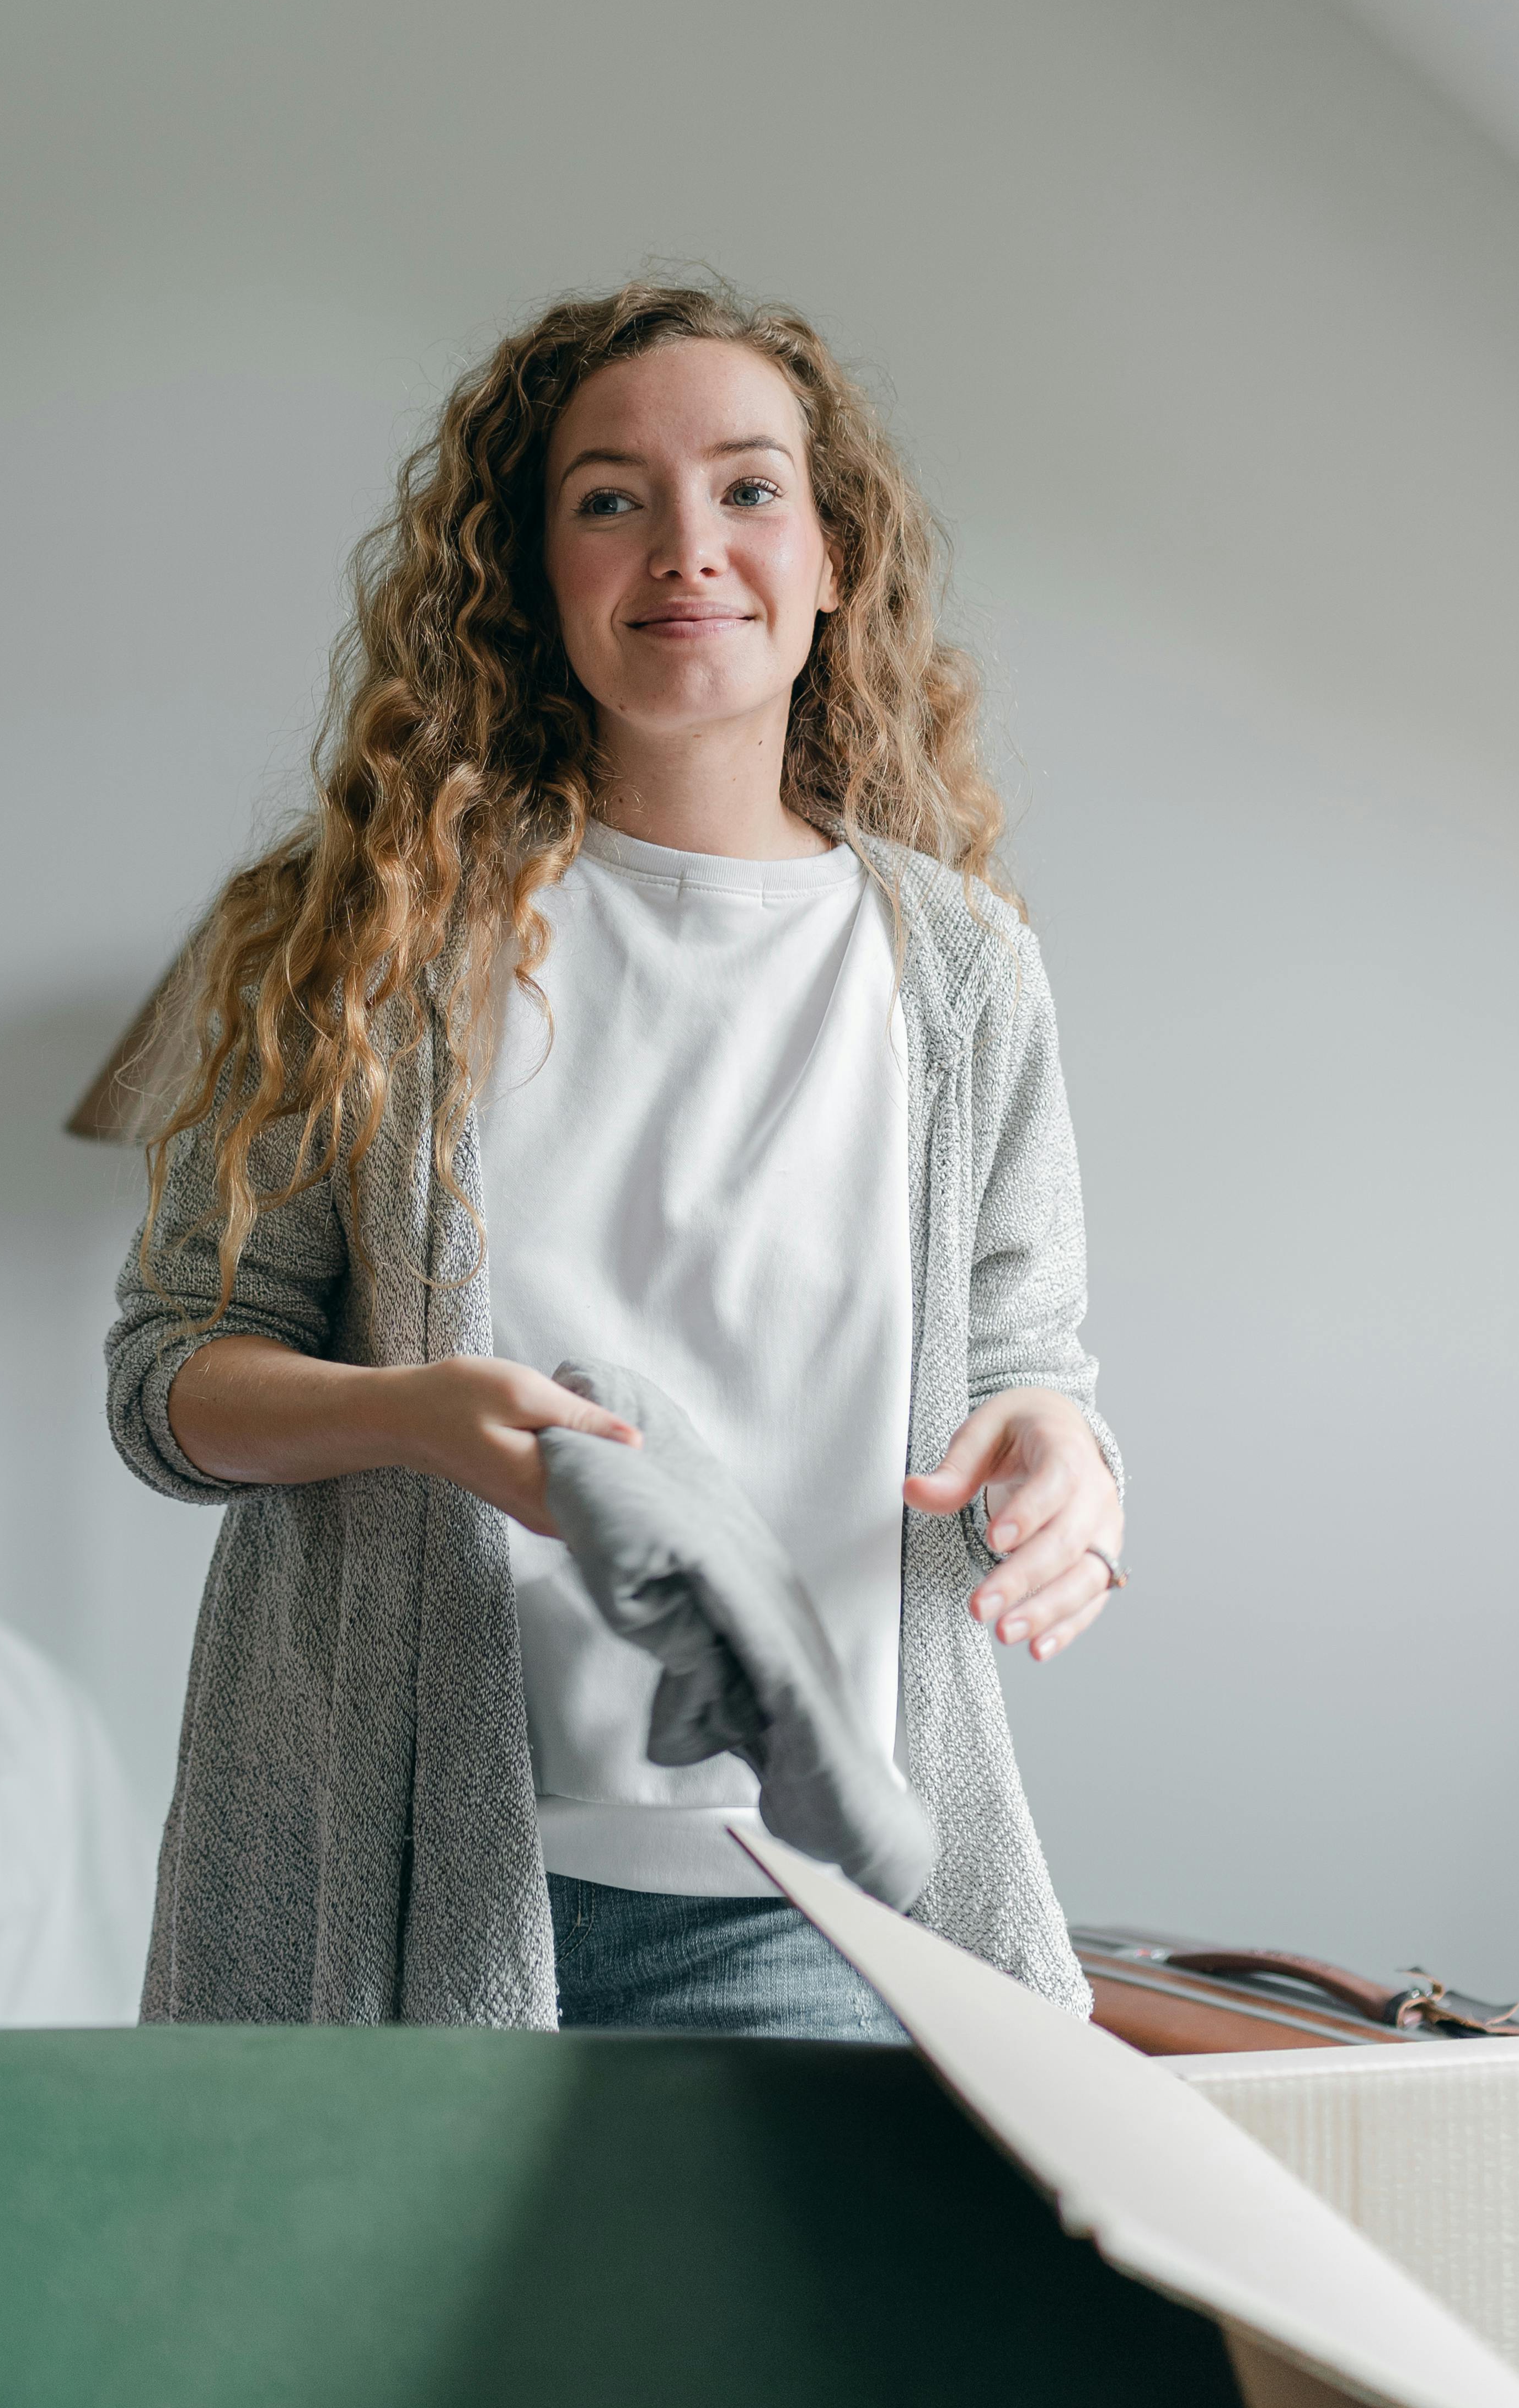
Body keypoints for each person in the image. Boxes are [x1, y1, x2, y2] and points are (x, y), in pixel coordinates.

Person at [106, 275, 1125, 2038]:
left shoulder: (962, 975)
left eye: (748, 489)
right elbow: (167, 1379)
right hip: (396, 1882)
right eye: (609, 497)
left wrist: (1066, 1460)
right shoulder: (355, 932)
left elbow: (1031, 1365)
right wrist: (410, 1413)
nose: (686, 546)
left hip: (813, 1918)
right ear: (533, 571)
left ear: (832, 560)